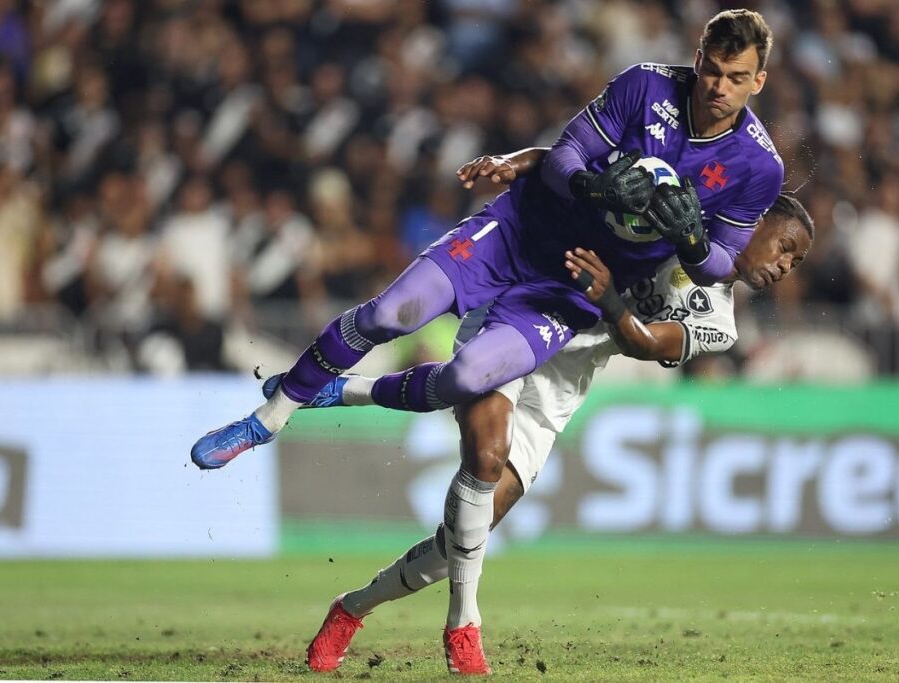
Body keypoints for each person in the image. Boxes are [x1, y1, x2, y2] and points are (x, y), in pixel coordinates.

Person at [192, 5, 781, 670]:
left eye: (735, 77)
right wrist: (580, 179)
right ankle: (275, 422)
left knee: (462, 516)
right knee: (401, 322)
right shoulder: (647, 86)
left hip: (566, 329)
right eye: (710, 69)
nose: (717, 86)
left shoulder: (723, 277)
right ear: (698, 58)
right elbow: (563, 155)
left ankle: (352, 594)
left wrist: (686, 242)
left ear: (757, 82)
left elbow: (657, 331)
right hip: (531, 246)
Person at [283, 162, 813, 674]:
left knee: (460, 541)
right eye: (786, 247)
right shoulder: (679, 209)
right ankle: (464, 628)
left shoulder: (720, 324)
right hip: (522, 316)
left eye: (797, 262)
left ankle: (352, 607)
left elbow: (647, 343)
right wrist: (523, 163)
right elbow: (589, 168)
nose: (786, 265)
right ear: (756, 218)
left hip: (557, 394)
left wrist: (608, 298)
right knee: (485, 455)